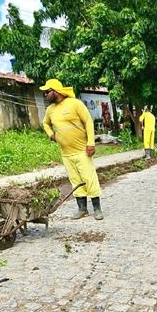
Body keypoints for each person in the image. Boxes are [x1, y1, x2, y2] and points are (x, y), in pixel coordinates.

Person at [40, 79, 103, 220]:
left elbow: (88, 121)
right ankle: (82, 209)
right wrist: (51, 135)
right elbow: (45, 123)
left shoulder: (75, 103)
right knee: (75, 180)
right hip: (66, 153)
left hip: (82, 151)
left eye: (47, 92)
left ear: (56, 91)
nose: (45, 95)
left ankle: (97, 209)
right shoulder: (50, 110)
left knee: (89, 178)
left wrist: (91, 143)